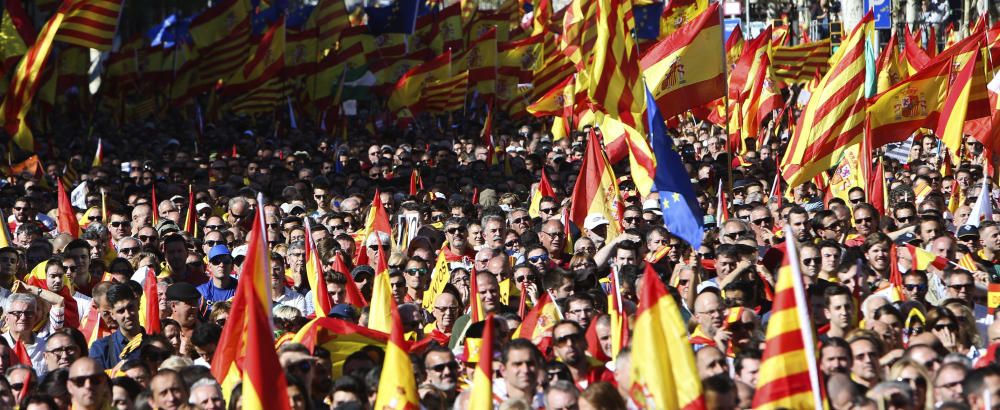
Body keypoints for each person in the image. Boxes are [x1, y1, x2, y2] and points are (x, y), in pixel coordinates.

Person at [89, 283, 143, 369]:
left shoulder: (155, 344)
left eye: (130, 307)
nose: (128, 315)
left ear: (138, 304)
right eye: (121, 311)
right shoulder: (101, 349)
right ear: (112, 314)